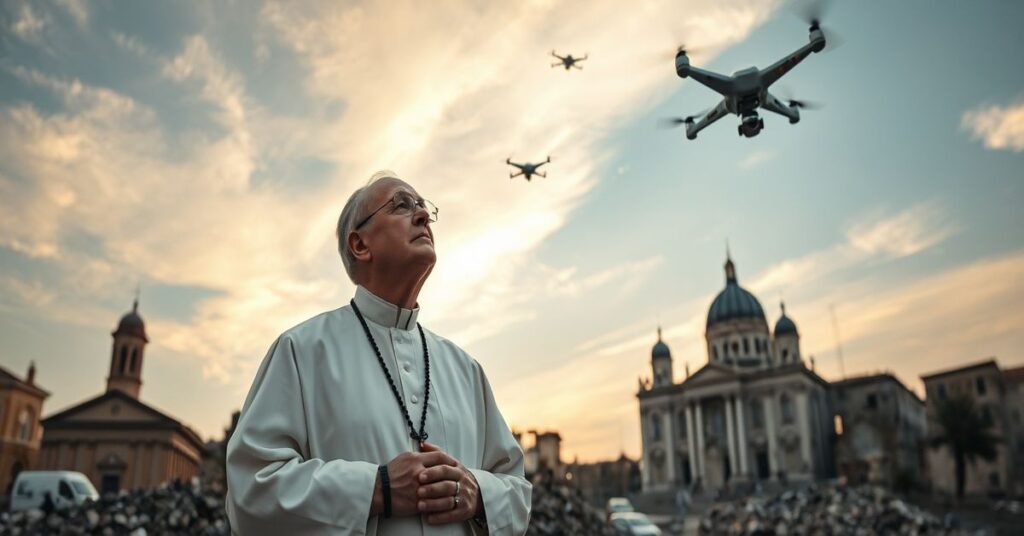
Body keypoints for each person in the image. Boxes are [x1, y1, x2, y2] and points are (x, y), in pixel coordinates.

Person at [226, 171, 532, 535]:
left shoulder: (466, 369)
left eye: (424, 208)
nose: (422, 216)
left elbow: (517, 491)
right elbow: (252, 489)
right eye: (403, 205)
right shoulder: (301, 351)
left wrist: (478, 493)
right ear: (360, 245)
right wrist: (377, 488)